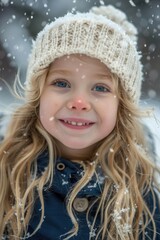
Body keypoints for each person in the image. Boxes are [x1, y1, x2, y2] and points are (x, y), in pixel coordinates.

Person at [0, 4, 159, 240]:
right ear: (38, 95)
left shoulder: (142, 194)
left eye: (100, 88)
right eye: (62, 83)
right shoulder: (7, 173)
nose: (79, 102)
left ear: (121, 105)